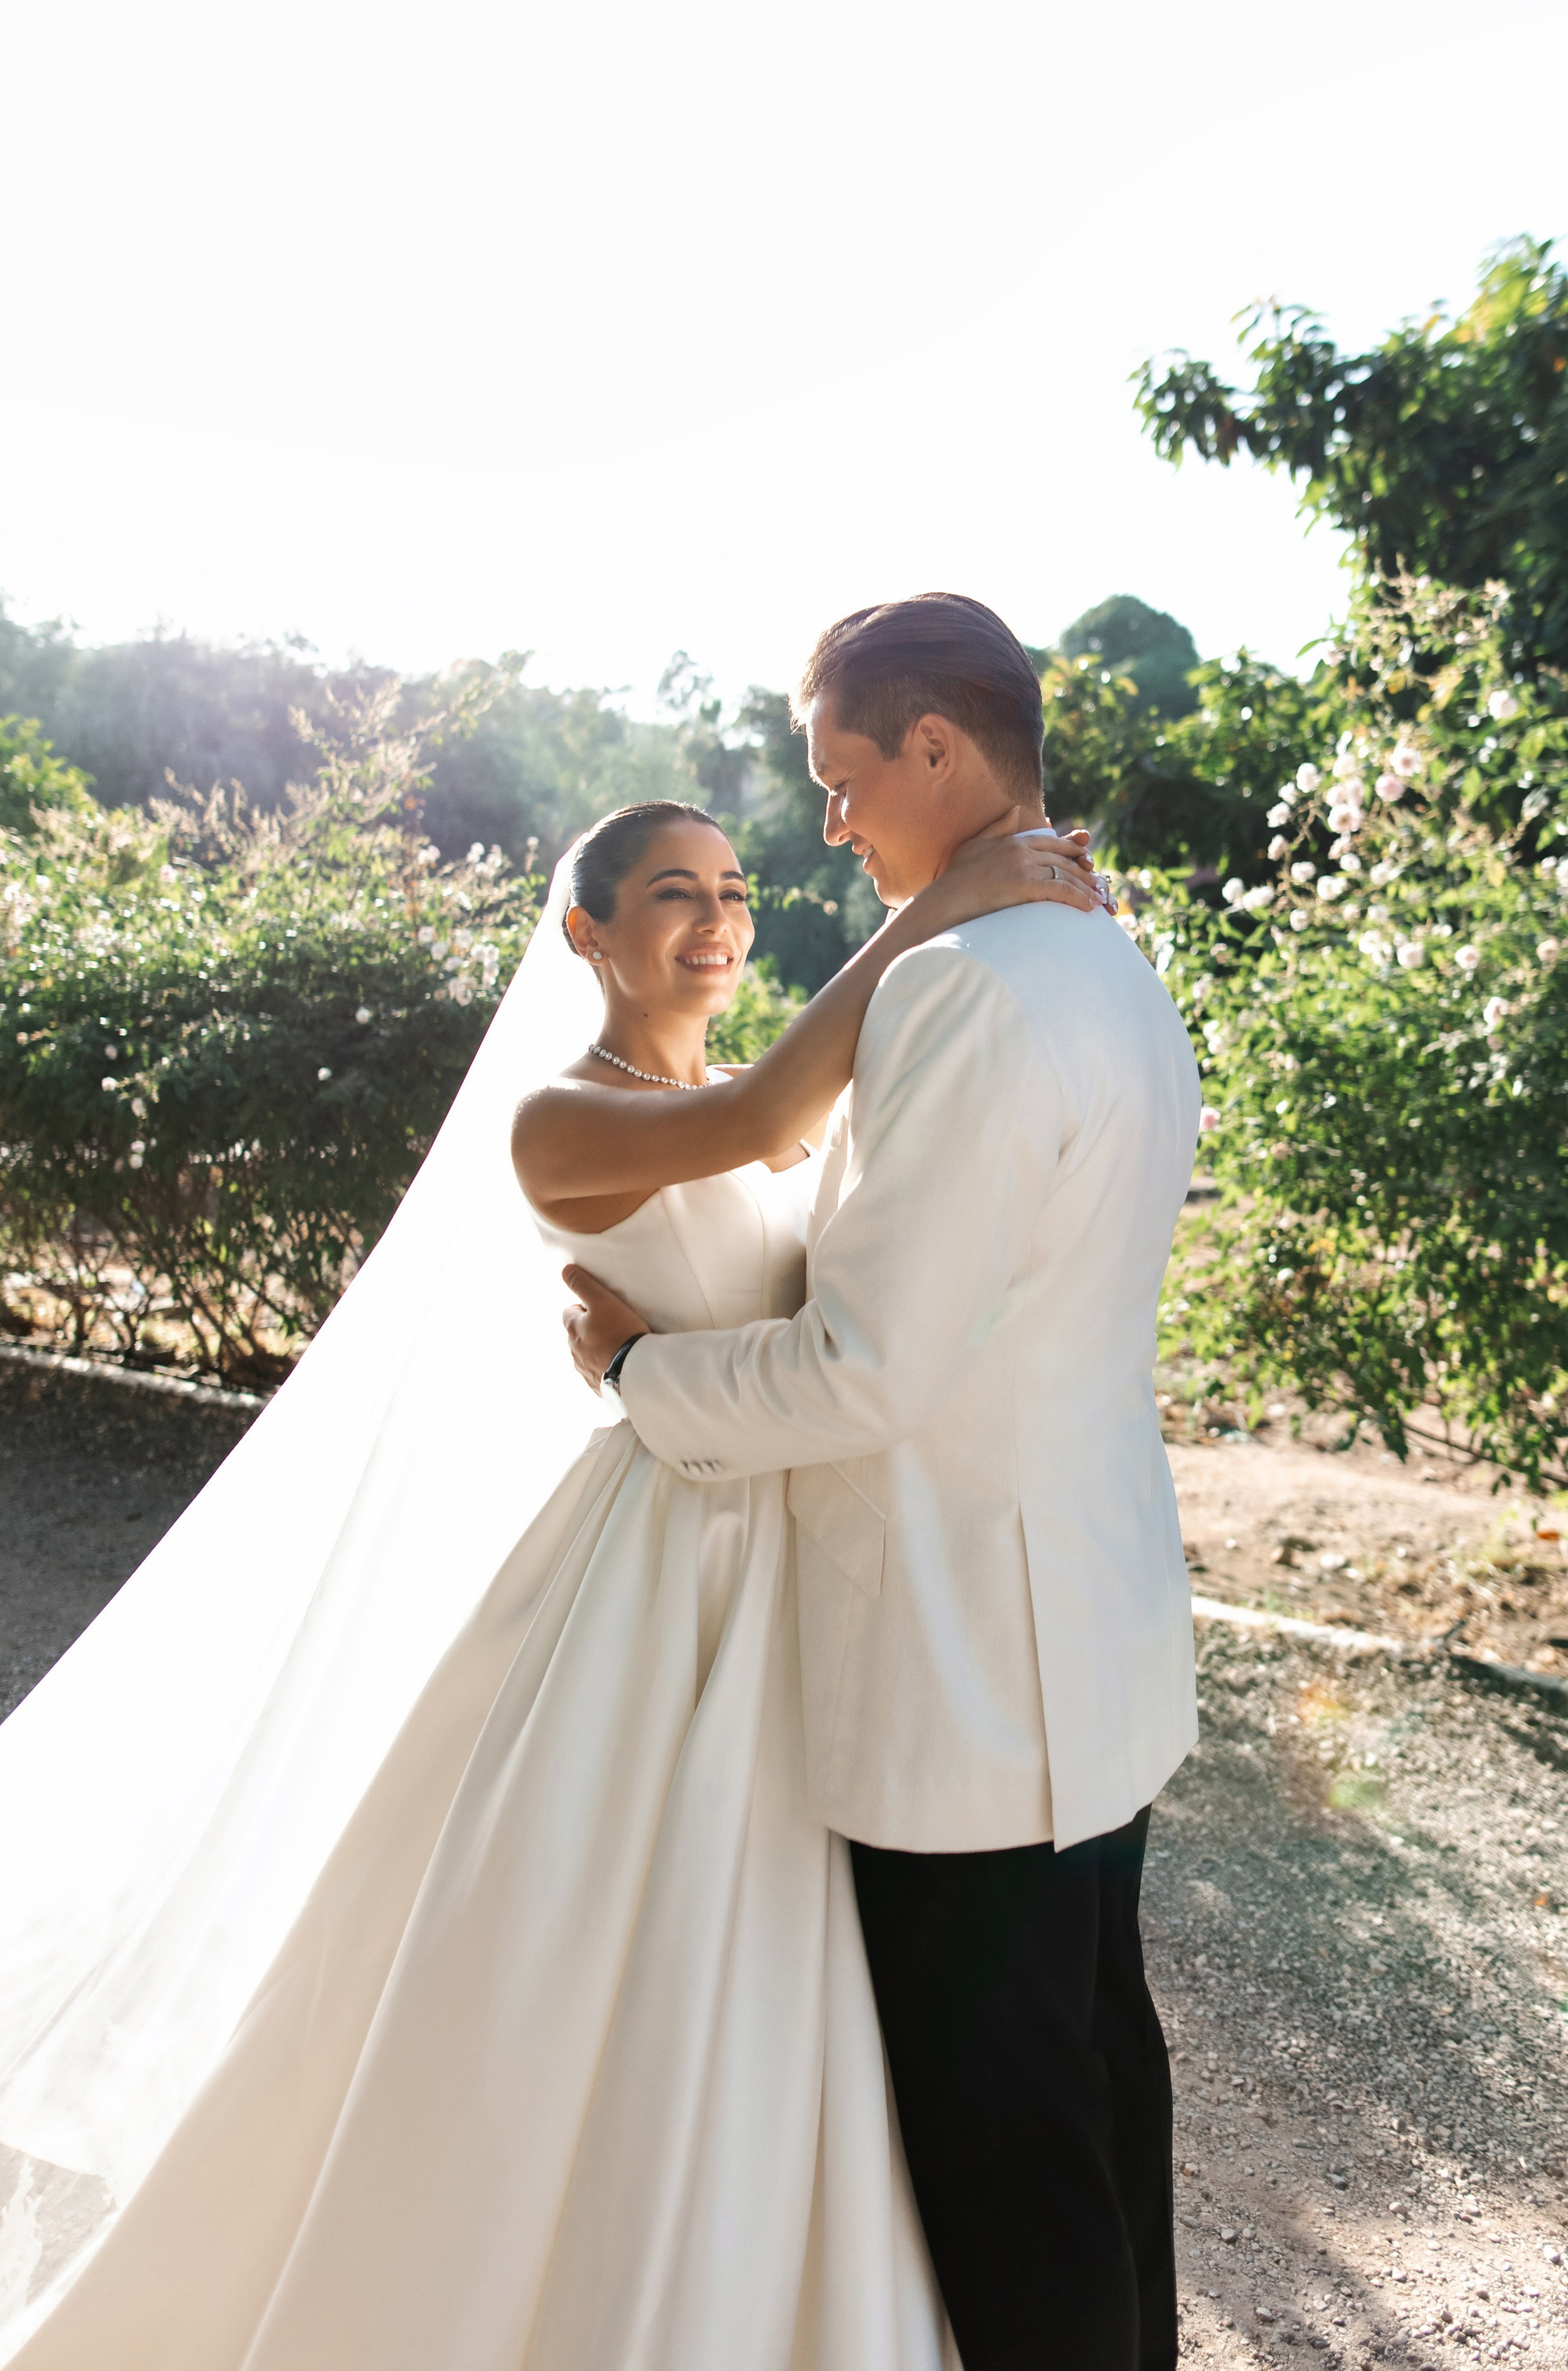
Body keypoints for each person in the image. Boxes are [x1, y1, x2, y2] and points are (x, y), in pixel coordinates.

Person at [0, 779, 1099, 2368]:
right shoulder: (562, 1115)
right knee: (600, 1941)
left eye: (732, 891)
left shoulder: (756, 1089)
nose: (717, 921)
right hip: (658, 1565)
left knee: (779, 1956)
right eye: (674, 896)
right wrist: (938, 908)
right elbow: (758, 1126)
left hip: (784, 1538)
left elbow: (818, 1190)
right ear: (588, 932)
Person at [563, 593, 1204, 2371]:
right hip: (1090, 1637)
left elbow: (868, 1370)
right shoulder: (1111, 960)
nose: (829, 824)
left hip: (966, 1670)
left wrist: (637, 1371)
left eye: (844, 780)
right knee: (1095, 2097)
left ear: (937, 748)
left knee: (1008, 2159)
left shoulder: (965, 990)